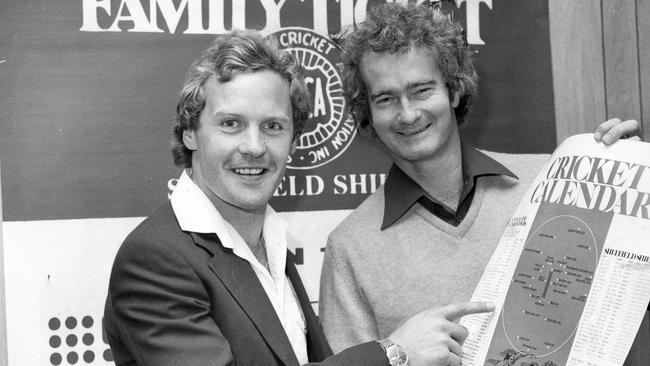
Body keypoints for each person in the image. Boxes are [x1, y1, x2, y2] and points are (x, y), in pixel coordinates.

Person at [103, 29, 495, 366]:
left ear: (293, 140)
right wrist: (394, 352)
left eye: (273, 126)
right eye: (230, 124)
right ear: (190, 132)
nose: (254, 147)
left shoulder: (268, 244)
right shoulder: (155, 258)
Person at [319, 2, 648, 365]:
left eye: (422, 90)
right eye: (385, 99)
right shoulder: (348, 248)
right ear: (368, 112)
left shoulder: (553, 182)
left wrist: (634, 186)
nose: (408, 113)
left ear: (454, 91)